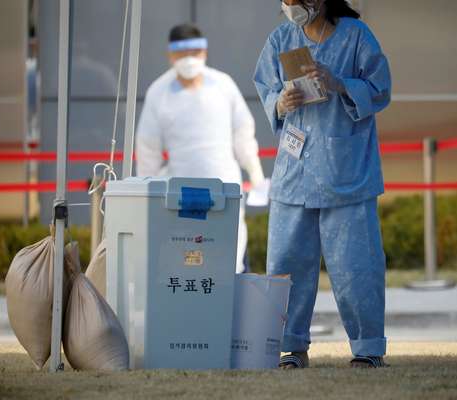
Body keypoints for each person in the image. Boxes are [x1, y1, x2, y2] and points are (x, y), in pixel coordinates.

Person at [254, 0, 391, 368]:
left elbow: (381, 89)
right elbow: (265, 88)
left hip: (346, 172)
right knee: (286, 264)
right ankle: (289, 347)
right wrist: (279, 102)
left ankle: (368, 349)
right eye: (285, 0)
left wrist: (339, 84)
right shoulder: (280, 39)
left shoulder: (357, 37)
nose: (291, 6)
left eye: (297, 0)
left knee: (356, 266)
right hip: (293, 173)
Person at [136, 23, 265, 274]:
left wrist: (255, 170)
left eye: (194, 53)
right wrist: (145, 189)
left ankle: (231, 306)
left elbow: (243, 132)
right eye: (182, 54)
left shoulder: (223, 85)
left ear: (204, 53)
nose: (188, 59)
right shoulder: (158, 92)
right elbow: (148, 149)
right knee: (190, 258)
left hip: (225, 188)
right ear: (170, 55)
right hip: (183, 195)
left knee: (230, 258)